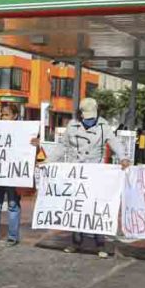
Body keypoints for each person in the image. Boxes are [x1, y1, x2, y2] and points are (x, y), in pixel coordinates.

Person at [46, 97, 130, 258]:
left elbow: (114, 142)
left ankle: (101, 244)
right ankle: (75, 242)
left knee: (95, 208)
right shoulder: (72, 125)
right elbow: (62, 146)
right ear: (80, 114)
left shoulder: (103, 125)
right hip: (75, 173)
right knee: (76, 208)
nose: (90, 120)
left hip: (94, 174)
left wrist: (123, 157)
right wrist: (48, 161)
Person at [0, 104, 25, 246]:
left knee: (13, 204)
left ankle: (13, 237)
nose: (3, 117)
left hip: (13, 174)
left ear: (15, 116)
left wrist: (35, 144)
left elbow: (30, 149)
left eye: (6, 114)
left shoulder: (24, 130)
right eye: (2, 114)